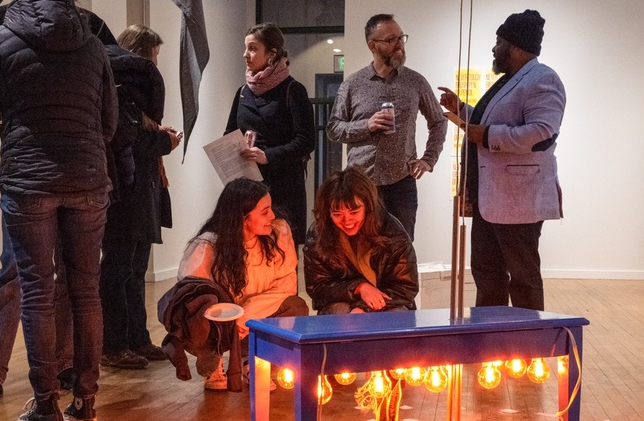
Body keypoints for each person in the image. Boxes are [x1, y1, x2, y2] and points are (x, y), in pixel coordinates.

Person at [0, 0, 118, 421]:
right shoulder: (92, 45)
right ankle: (85, 407)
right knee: (87, 291)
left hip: (28, 182)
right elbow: (109, 122)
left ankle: (46, 408)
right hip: (87, 178)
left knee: (36, 291)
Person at [439, 9, 565, 311]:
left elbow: (542, 132)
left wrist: (485, 136)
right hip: (490, 200)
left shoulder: (542, 78)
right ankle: (489, 341)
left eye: (499, 42)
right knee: (487, 275)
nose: (494, 49)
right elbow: (490, 123)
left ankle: (529, 346)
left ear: (516, 46)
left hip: (518, 203)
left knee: (523, 278)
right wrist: (463, 110)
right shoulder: (513, 79)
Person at [158, 178, 308, 391]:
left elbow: (286, 285)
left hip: (256, 315)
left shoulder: (278, 233)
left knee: (296, 306)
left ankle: (252, 360)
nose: (272, 216)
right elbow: (191, 294)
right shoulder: (208, 244)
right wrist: (228, 319)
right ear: (243, 217)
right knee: (194, 314)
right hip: (221, 324)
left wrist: (245, 316)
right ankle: (212, 359)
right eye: (264, 212)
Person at [99, 25, 180, 370]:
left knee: (134, 270)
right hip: (125, 192)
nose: (155, 65)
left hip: (139, 192)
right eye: (154, 56)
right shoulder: (122, 95)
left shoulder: (131, 98)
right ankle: (114, 345)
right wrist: (165, 142)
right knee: (118, 270)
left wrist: (160, 137)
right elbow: (128, 141)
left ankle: (137, 338)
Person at [327, 13, 447, 241]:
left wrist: (429, 159)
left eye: (401, 38)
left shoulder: (415, 82)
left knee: (401, 250)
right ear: (372, 45)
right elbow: (334, 128)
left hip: (401, 183)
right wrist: (367, 125)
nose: (399, 44)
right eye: (391, 40)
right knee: (359, 247)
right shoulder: (353, 84)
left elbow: (438, 121)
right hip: (360, 184)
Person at [224, 23, 315, 247]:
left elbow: (306, 141)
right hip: (249, 184)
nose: (245, 55)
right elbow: (229, 132)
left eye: (253, 48)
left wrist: (268, 155)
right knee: (249, 250)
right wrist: (232, 148)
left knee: (283, 249)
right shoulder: (243, 92)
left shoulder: (293, 90)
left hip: (283, 185)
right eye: (245, 48)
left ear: (272, 54)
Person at [303, 167, 418, 314]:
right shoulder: (319, 234)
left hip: (387, 303)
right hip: (343, 305)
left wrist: (364, 308)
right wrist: (359, 287)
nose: (347, 220)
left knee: (397, 314)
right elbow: (318, 288)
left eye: (354, 212)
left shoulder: (392, 233)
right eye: (337, 214)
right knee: (341, 312)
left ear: (368, 207)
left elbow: (406, 288)